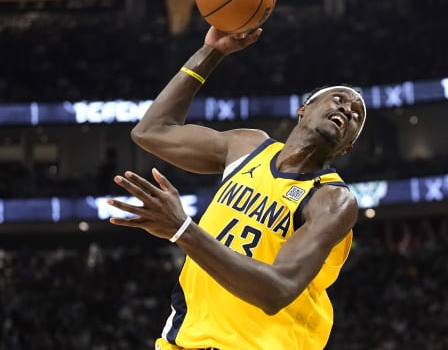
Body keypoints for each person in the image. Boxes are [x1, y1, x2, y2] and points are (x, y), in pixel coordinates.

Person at [106, 26, 367, 350]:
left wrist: (183, 229)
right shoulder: (247, 146)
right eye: (339, 100)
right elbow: (151, 131)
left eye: (356, 116)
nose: (346, 110)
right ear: (304, 109)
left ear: (346, 149)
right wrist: (212, 52)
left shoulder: (332, 200)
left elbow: (278, 290)